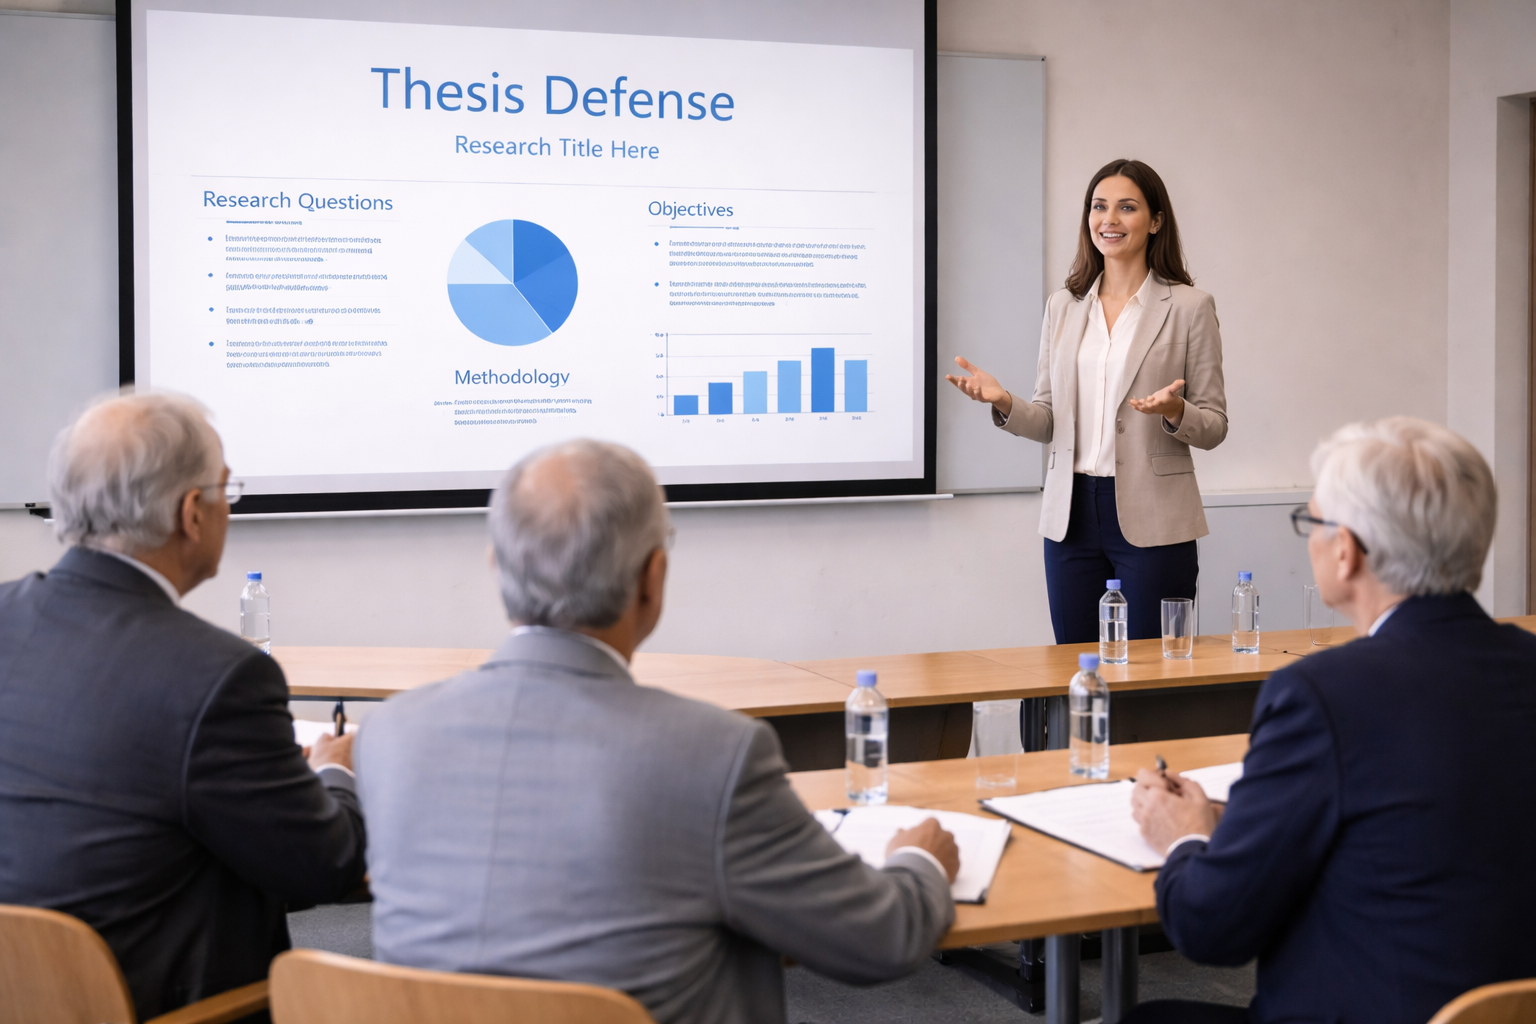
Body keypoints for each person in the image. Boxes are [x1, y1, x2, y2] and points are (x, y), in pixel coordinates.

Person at [356, 440, 959, 1024]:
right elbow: (881, 938)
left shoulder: (389, 736)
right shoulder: (712, 755)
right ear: (654, 576)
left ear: (496, 567)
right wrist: (917, 861)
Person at [1124, 417, 1536, 1024]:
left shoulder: (1320, 694)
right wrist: (1237, 819)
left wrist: (1181, 835)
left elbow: (1211, 928)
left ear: (1346, 552)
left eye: (1311, 522)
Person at [0, 392, 367, 1020]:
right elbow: (325, 866)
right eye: (228, 489)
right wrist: (336, 770)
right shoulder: (219, 677)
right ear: (193, 513)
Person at [947, 158, 1227, 643]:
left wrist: (1176, 412)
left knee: (1145, 678)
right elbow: (1049, 419)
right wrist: (1004, 401)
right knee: (1078, 669)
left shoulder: (1189, 307)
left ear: (1156, 220)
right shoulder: (1064, 306)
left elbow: (1216, 425)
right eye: (1099, 207)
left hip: (1154, 518)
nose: (1109, 220)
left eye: (1126, 207)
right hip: (1071, 515)